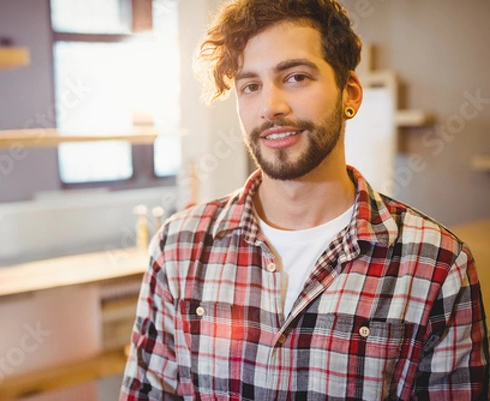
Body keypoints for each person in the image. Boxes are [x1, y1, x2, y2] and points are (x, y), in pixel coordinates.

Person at [120, 0, 489, 399]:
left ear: (349, 92)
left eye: (295, 77)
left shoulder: (437, 266)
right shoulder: (178, 249)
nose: (270, 106)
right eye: (250, 86)